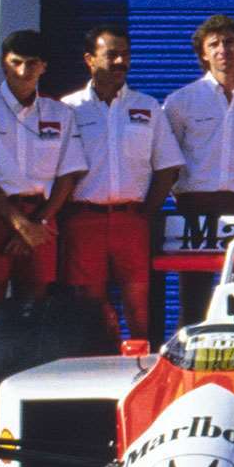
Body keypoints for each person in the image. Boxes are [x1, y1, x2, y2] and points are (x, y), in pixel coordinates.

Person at [0, 29, 86, 371]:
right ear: (4, 63)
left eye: (32, 64)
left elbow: (68, 174)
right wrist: (19, 224)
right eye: (15, 63)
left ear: (44, 67)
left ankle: (27, 406)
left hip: (43, 217)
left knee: (35, 315)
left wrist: (38, 223)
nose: (23, 71)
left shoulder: (60, 113)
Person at [58, 25, 184, 342]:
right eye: (111, 54)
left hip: (132, 221)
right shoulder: (68, 109)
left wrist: (146, 212)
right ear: (89, 59)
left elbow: (168, 166)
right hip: (84, 220)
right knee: (90, 310)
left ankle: (141, 376)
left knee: (139, 310)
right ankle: (95, 376)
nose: (120, 62)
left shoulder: (147, 106)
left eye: (125, 54)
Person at [162, 13, 234, 324]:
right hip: (194, 209)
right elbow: (166, 160)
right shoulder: (180, 101)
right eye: (213, 44)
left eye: (230, 42)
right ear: (203, 53)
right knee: (194, 298)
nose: (222, 50)